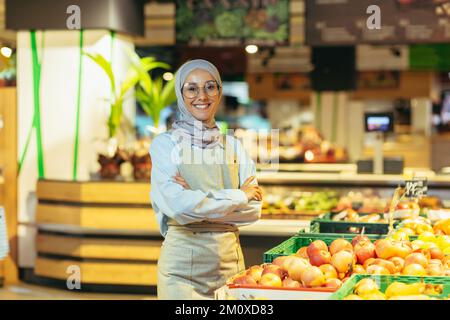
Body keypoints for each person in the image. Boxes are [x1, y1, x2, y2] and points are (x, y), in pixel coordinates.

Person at [149, 59, 262, 300]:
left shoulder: (234, 146)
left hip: (230, 265)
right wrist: (238, 196)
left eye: (210, 86)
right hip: (181, 273)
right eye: (192, 88)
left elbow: (254, 210)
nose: (202, 95)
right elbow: (178, 207)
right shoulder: (165, 145)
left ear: (219, 92)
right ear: (181, 94)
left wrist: (196, 201)